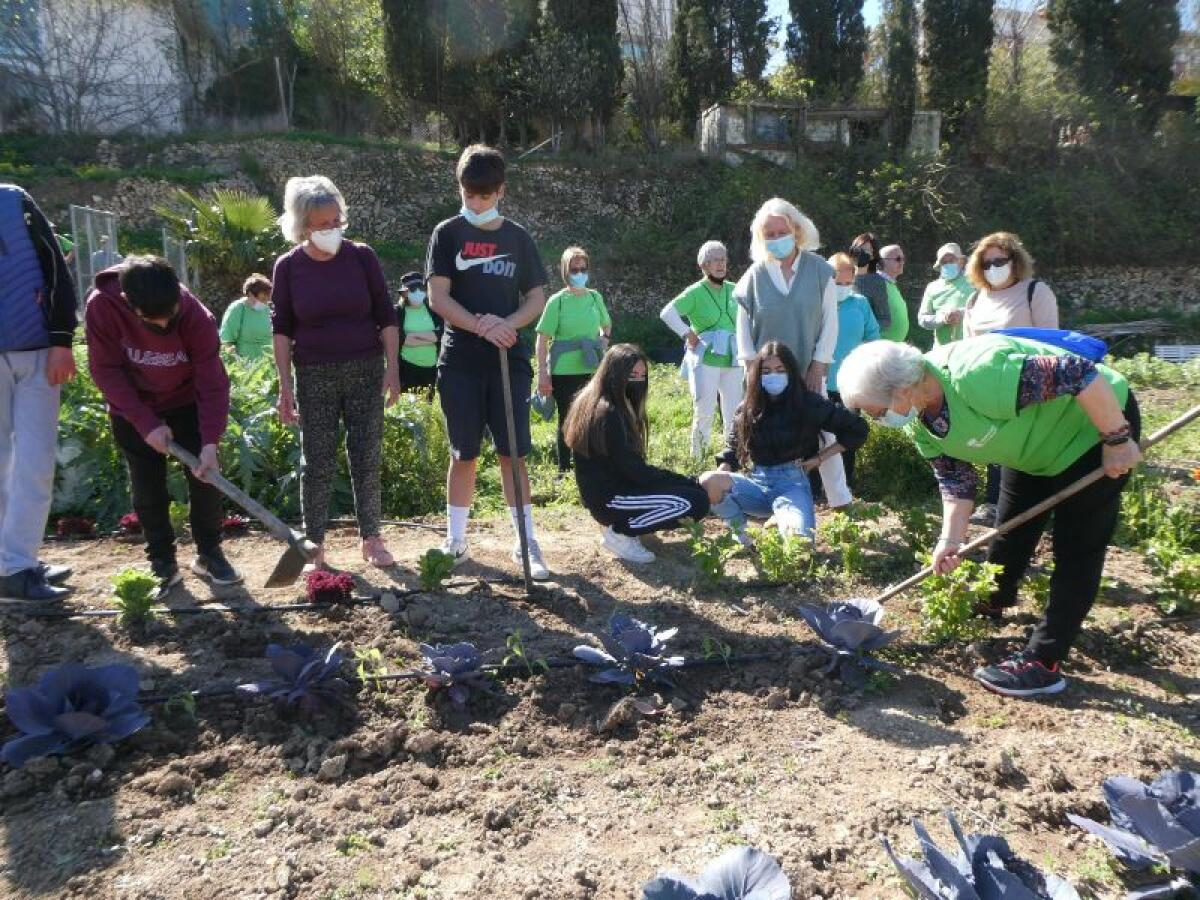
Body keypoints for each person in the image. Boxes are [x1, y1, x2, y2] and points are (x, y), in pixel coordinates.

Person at [836, 335, 1141, 699]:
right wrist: (950, 541)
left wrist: (1117, 439)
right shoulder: (920, 421)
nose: (876, 419)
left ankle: (1044, 661)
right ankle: (993, 599)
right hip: (1031, 447)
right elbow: (955, 481)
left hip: (1092, 430)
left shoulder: (978, 374)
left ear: (902, 390)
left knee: (1077, 547)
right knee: (1012, 526)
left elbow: (1079, 374)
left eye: (875, 410)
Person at [427, 145, 551, 579]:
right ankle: (456, 540)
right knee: (464, 453)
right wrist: (482, 327)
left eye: (484, 195)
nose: (475, 203)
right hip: (460, 360)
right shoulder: (447, 234)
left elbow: (536, 297)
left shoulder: (518, 238)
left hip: (509, 359)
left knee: (512, 452)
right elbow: (438, 296)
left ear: (501, 191)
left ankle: (525, 541)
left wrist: (509, 325)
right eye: (468, 194)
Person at [85, 256, 242, 594]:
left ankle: (209, 553)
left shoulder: (196, 316)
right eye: (151, 320)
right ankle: (162, 562)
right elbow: (105, 370)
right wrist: (145, 423)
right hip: (133, 406)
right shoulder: (103, 307)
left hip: (185, 402)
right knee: (147, 486)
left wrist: (210, 441)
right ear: (130, 303)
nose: (163, 326)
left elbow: (213, 382)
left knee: (206, 478)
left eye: (168, 317)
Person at [271, 176, 400, 570]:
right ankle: (314, 543)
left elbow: (386, 316)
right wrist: (285, 385)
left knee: (366, 454)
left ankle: (372, 537)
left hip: (365, 368)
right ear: (303, 227)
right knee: (318, 461)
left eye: (335, 221)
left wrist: (392, 369)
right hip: (314, 373)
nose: (330, 230)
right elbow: (282, 330)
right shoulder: (289, 267)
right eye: (321, 224)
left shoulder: (362, 257)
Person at [734, 197, 852, 510]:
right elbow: (742, 326)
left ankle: (840, 500)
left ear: (796, 230)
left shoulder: (820, 270)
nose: (775, 238)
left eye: (780, 231)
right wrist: (750, 366)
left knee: (826, 432)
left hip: (807, 367)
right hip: (768, 372)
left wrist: (818, 364)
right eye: (768, 234)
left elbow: (829, 322)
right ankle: (760, 495)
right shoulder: (755, 275)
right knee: (759, 430)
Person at [701, 342, 868, 546]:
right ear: (757, 374)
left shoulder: (808, 403)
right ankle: (740, 536)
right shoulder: (747, 407)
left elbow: (857, 429)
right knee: (708, 481)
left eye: (780, 370)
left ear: (791, 372)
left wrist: (819, 458)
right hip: (756, 484)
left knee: (799, 545)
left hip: (792, 485)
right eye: (767, 371)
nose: (774, 376)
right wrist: (720, 478)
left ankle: (784, 519)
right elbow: (732, 449)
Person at [566, 344, 714, 564]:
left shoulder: (597, 402)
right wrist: (688, 481)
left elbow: (631, 469)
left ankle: (631, 523)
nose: (638, 381)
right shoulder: (609, 413)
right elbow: (636, 471)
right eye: (632, 375)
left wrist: (684, 482)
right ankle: (621, 532)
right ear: (615, 374)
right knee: (694, 502)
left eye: (642, 375)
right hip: (611, 500)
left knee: (688, 492)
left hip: (608, 494)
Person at [0, 184, 78, 600]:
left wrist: (62, 340)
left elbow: (55, 269)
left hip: (36, 354)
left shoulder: (15, 201)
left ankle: (19, 561)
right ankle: (12, 567)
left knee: (36, 461)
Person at [962, 231, 1060, 524]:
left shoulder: (1035, 292)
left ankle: (1038, 506)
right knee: (996, 443)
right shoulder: (975, 299)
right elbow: (967, 346)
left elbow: (1051, 344)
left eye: (999, 261)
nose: (993, 267)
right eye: (986, 262)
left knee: (1029, 445)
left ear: (1015, 260)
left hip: (1028, 381)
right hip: (988, 384)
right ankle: (994, 503)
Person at [660, 240, 743, 459]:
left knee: (735, 412)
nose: (720, 264)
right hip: (706, 359)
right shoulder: (695, 292)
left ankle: (732, 458)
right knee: (705, 411)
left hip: (734, 360)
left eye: (723, 259)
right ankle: (698, 460)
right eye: (714, 260)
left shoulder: (735, 290)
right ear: (704, 266)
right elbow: (667, 313)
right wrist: (687, 333)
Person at [536, 246, 612, 471]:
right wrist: (542, 372)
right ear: (565, 271)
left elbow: (606, 323)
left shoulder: (595, 297)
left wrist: (603, 341)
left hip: (592, 367)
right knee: (567, 419)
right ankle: (564, 469)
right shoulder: (556, 301)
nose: (579, 273)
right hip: (563, 370)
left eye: (583, 268)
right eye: (574, 269)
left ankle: (590, 467)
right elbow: (542, 339)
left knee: (593, 418)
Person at [825, 252, 880, 489]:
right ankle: (816, 486)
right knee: (819, 437)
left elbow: (873, 336)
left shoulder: (860, 303)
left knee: (847, 436)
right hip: (820, 382)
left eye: (848, 283)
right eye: (838, 283)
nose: (843, 288)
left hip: (850, 385)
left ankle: (845, 486)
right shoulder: (816, 303)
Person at [395, 270, 441, 397]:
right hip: (407, 369)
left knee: (429, 407)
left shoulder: (433, 310)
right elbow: (401, 339)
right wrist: (429, 337)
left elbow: (439, 335)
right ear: (405, 293)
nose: (418, 293)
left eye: (421, 289)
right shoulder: (398, 312)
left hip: (431, 369)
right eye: (413, 290)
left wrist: (413, 337)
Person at [917, 242, 972, 345]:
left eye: (951, 260)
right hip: (941, 350)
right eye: (944, 262)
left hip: (970, 348)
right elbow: (922, 319)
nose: (948, 264)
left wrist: (962, 313)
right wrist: (942, 318)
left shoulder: (974, 282)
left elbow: (985, 309)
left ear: (961, 262)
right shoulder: (932, 287)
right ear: (939, 265)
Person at [219, 273, 274, 360]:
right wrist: (238, 361)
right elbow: (226, 341)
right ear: (250, 294)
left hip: (269, 365)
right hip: (245, 367)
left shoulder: (268, 310)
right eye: (262, 299)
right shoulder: (237, 309)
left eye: (267, 300)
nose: (265, 303)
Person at [849, 233, 892, 338]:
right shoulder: (839, 273)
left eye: (866, 250)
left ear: (873, 256)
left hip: (863, 342)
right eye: (859, 249)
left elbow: (885, 320)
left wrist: (863, 327)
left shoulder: (876, 282)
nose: (861, 253)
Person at [877, 243, 910, 342]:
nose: (902, 262)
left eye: (903, 259)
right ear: (882, 262)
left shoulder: (891, 284)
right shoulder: (877, 284)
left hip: (892, 347)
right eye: (898, 259)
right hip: (880, 348)